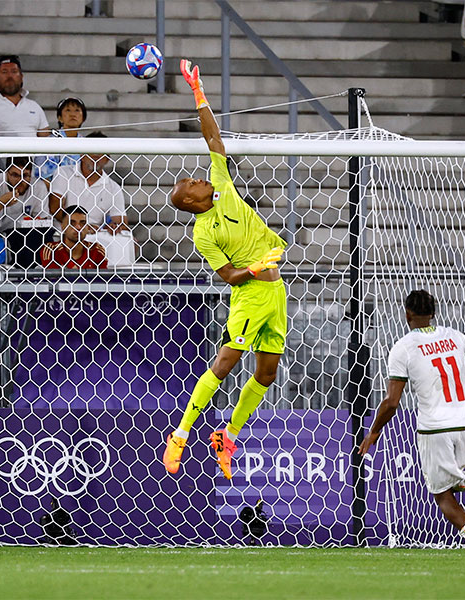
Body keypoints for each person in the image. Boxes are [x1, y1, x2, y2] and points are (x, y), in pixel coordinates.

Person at [162, 59, 286, 480]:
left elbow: (213, 137)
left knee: (267, 373)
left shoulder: (224, 186)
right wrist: (257, 265)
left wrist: (198, 92)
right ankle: (179, 434)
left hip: (276, 294)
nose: (199, 179)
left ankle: (227, 434)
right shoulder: (203, 232)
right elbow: (229, 277)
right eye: (192, 185)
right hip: (249, 294)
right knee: (225, 362)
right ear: (190, 203)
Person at [358, 290, 465, 562]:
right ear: (434, 312)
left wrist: (374, 431)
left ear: (407, 314)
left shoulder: (403, 347)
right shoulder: (456, 337)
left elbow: (391, 402)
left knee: (441, 494)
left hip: (435, 426)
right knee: (451, 482)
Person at [0, 157, 50, 268]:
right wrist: (1, 202)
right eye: (15, 175)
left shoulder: (38, 186)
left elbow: (43, 223)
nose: (20, 181)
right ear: (6, 173)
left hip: (28, 238)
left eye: (25, 176)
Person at [49, 134, 129, 234]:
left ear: (107, 159)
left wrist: (115, 226)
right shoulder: (63, 173)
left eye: (100, 152)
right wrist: (81, 226)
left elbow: (121, 221)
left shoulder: (113, 188)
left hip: (95, 238)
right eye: (92, 150)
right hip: (62, 234)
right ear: (82, 155)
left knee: (131, 242)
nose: (96, 155)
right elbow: (55, 208)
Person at [0, 55, 49, 137]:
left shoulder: (34, 106)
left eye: (14, 71)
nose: (9, 76)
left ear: (21, 77)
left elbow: (45, 139)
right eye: (4, 72)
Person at [35, 96, 87, 181]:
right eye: (68, 110)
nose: (73, 114)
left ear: (83, 118)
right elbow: (42, 175)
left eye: (77, 110)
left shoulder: (87, 144)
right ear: (60, 118)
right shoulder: (49, 142)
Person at [40, 205, 107, 269]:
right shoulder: (51, 250)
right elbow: (52, 280)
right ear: (63, 227)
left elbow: (103, 280)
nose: (78, 227)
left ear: (88, 227)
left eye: (83, 223)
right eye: (72, 223)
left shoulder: (96, 250)